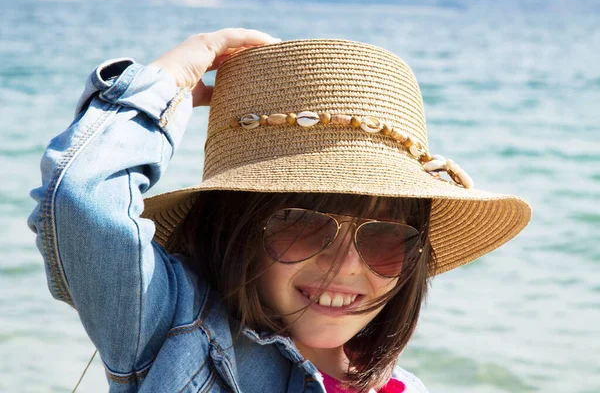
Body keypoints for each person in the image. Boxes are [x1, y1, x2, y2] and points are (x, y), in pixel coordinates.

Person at [28, 28, 531, 392]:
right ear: (234, 229)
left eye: (384, 237)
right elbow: (82, 201)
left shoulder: (405, 388)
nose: (347, 267)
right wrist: (168, 80)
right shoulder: (171, 327)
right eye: (304, 226)